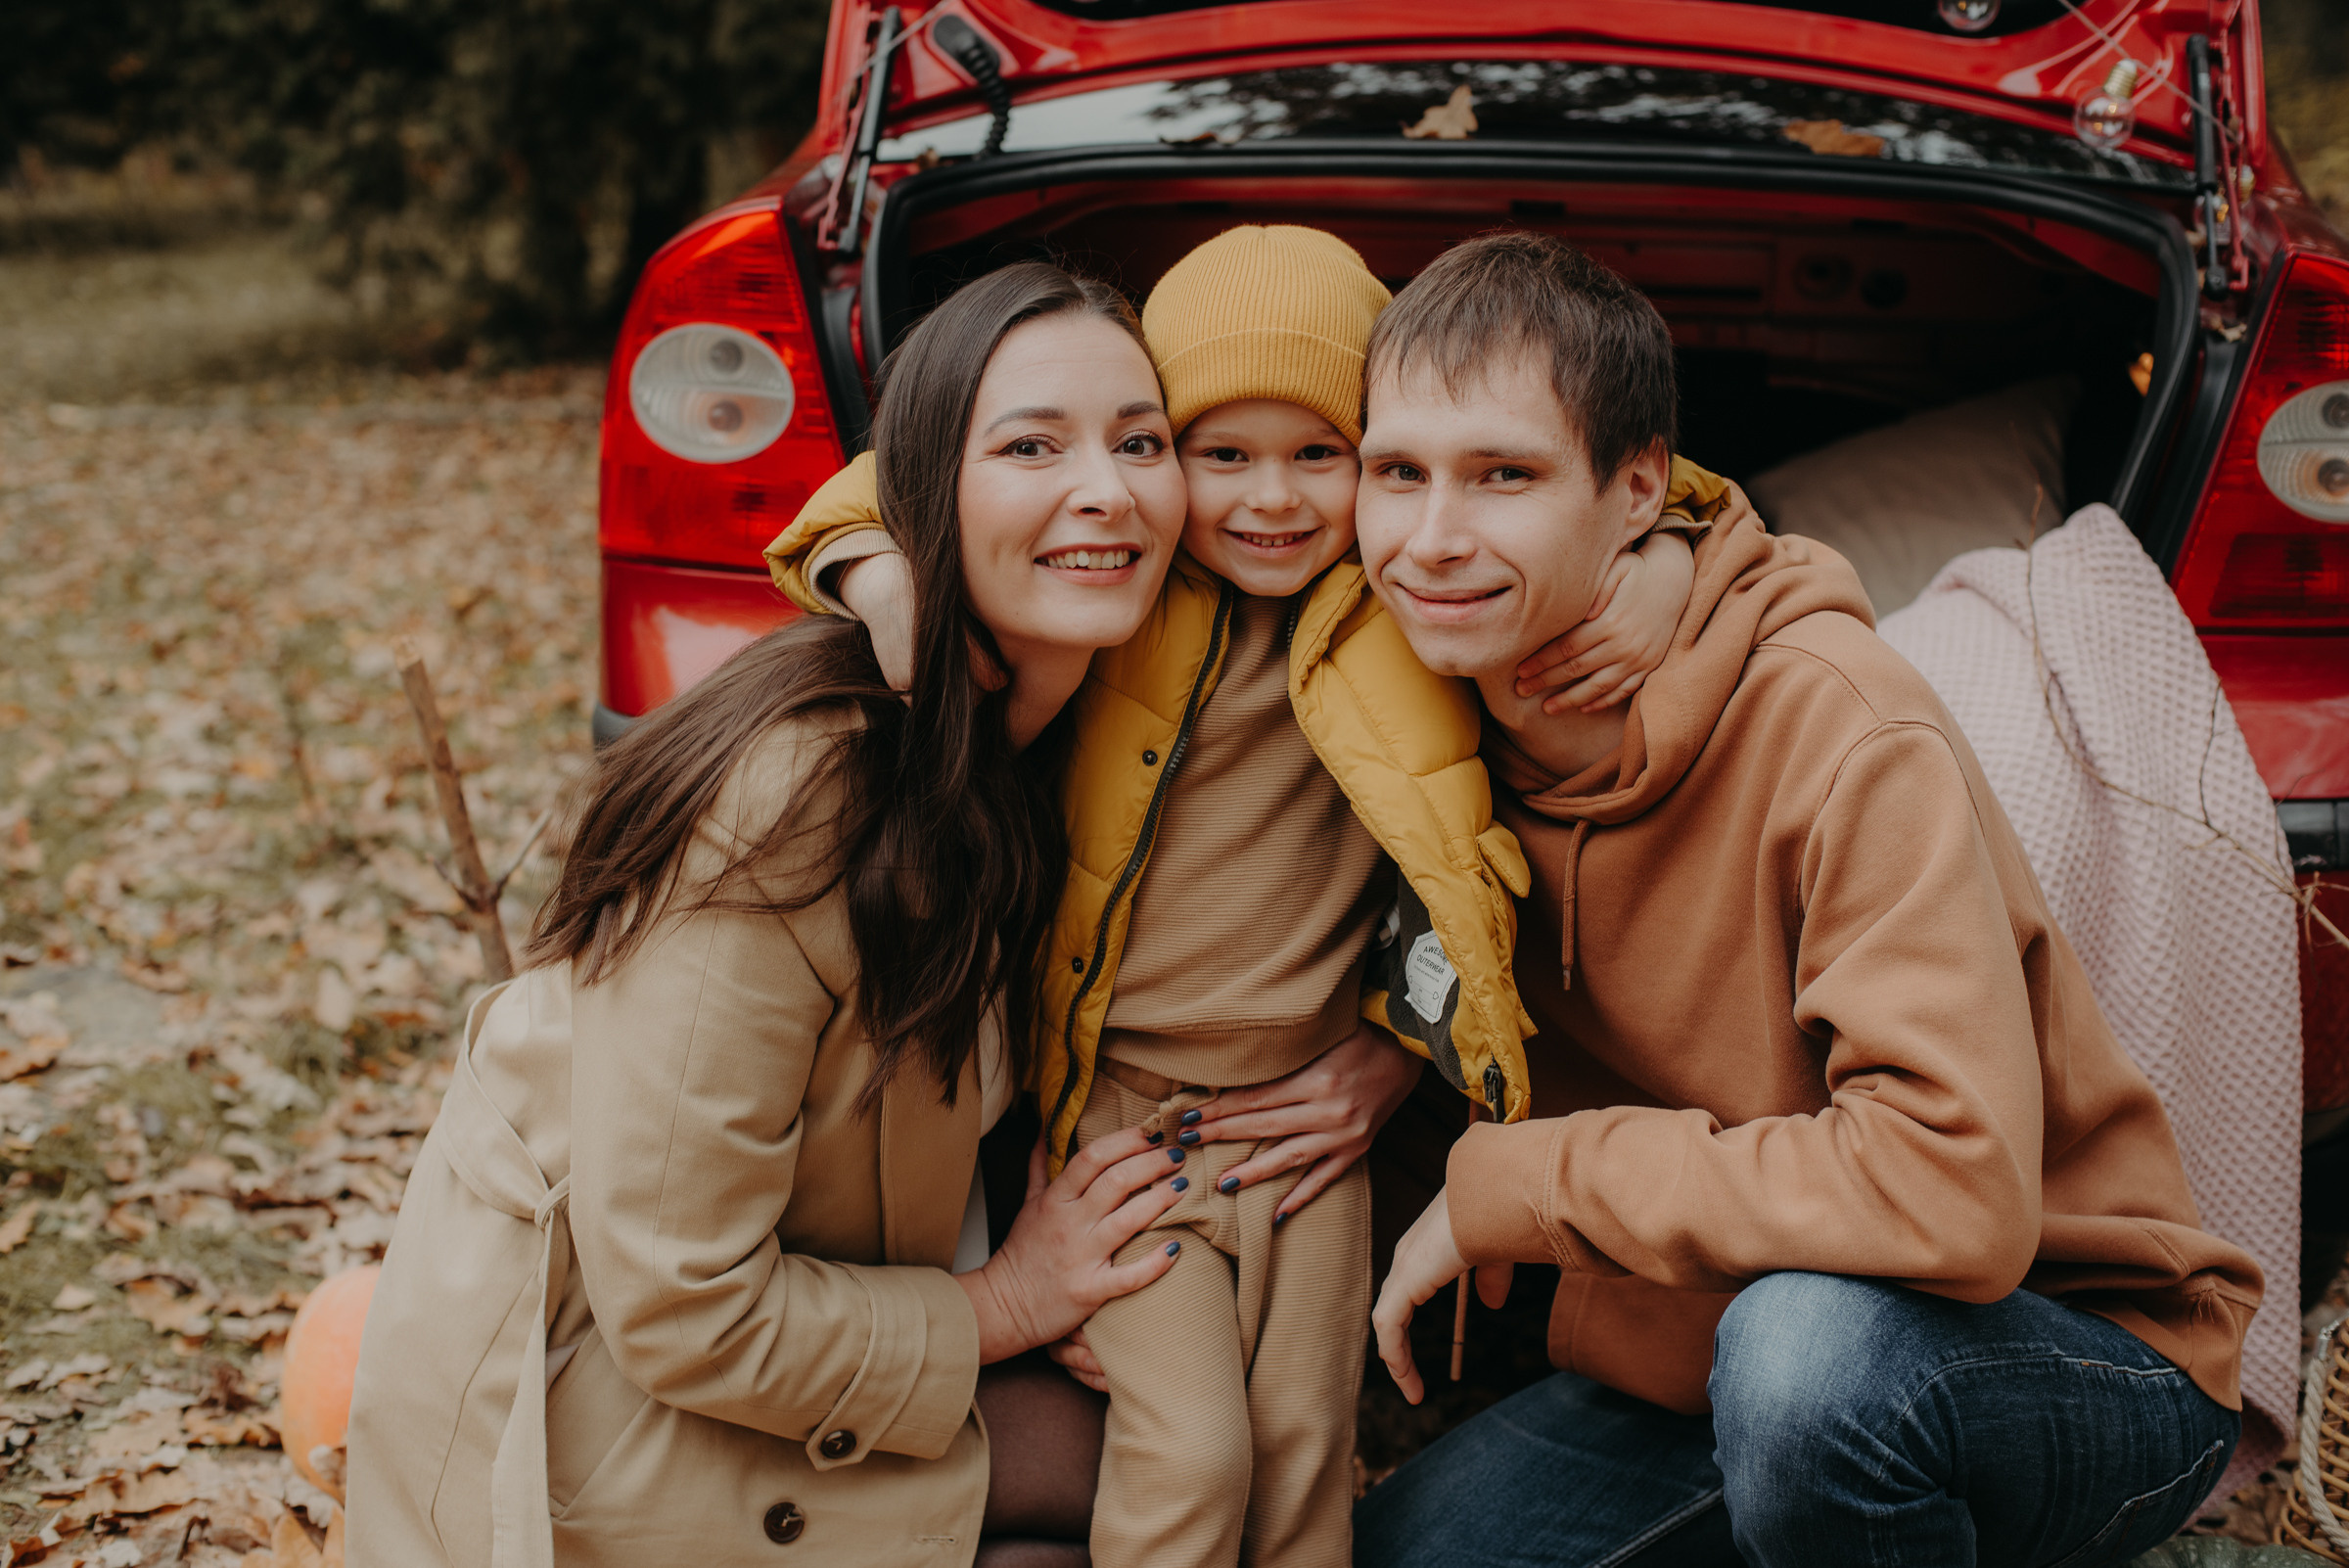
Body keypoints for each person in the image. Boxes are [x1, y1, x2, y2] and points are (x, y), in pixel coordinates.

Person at [765, 225, 1705, 1568]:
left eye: (1319, 455)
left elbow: (1650, 484)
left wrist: (1660, 556)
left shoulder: (1406, 603)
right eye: (1221, 455)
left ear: (1375, 460)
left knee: (1305, 1443)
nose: (1270, 499)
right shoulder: (1129, 593)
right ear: (1158, 454)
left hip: (1308, 1129)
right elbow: (889, 481)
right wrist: (885, 572)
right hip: (1128, 1125)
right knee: (1191, 1453)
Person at [1353, 230, 2266, 1568]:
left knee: (1811, 1368)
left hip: (2056, 1343)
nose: (1432, 538)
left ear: (1634, 491)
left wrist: (1529, 1179)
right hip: (1700, 1357)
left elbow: (1951, 1189)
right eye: (1396, 472)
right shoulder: (1399, 701)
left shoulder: (1839, 723)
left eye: (1505, 474)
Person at [344, 261, 1198, 1568]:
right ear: (921, 495)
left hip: (778, 1342)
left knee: (1181, 1469)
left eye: (1142, 441)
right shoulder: (799, 791)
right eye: (1033, 443)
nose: (1110, 488)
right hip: (604, 1422)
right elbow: (685, 1305)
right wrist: (1012, 1299)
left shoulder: (1073, 722)